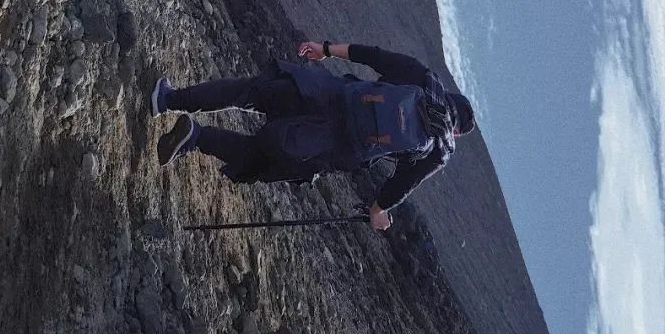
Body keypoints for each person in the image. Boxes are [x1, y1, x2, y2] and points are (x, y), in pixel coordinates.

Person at [150, 37, 475, 231]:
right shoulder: (440, 148)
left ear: (448, 96)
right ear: (457, 132)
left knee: (248, 91)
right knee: (257, 158)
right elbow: (402, 183)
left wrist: (326, 49)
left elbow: (375, 56)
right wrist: (378, 211)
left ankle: (167, 100)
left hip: (325, 92)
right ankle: (195, 136)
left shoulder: (424, 80)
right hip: (329, 146)